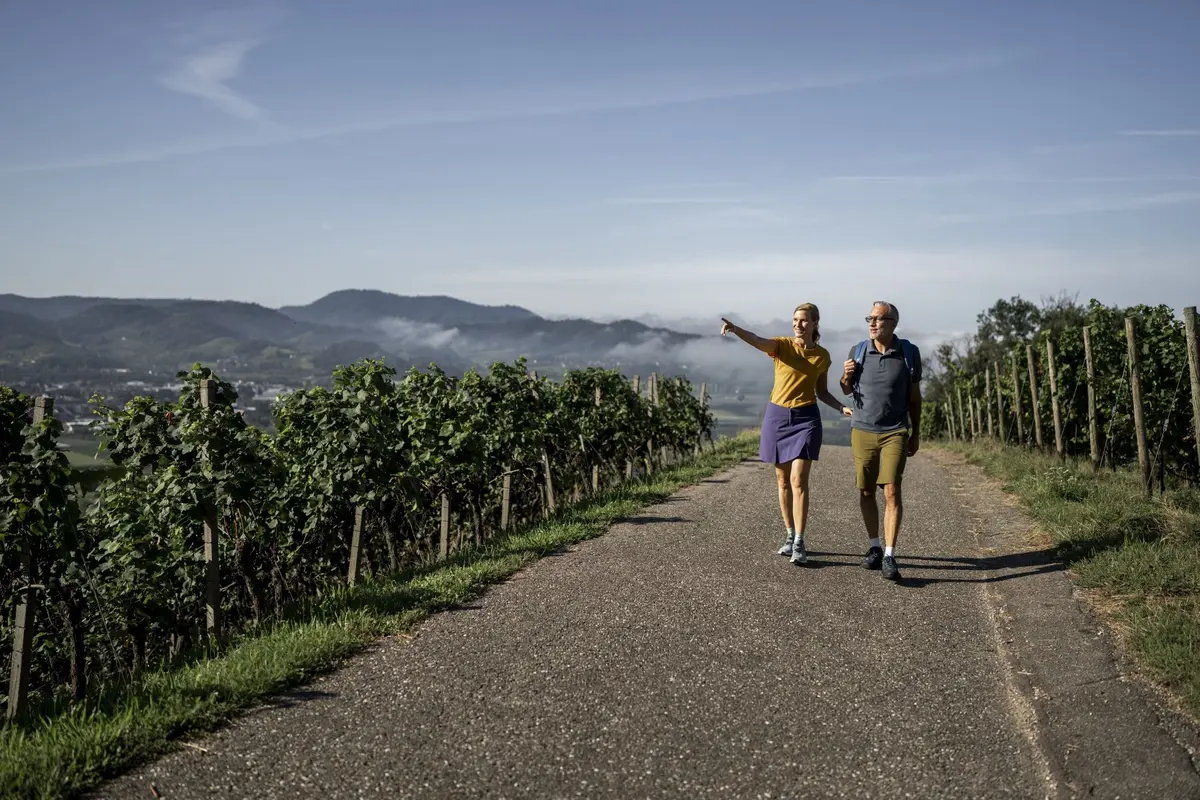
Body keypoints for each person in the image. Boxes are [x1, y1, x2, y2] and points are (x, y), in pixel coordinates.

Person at [721, 304, 852, 565]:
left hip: (806, 419)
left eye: (803, 320)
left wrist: (840, 407)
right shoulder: (781, 346)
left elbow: (821, 391)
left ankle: (800, 541)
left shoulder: (823, 357)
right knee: (782, 482)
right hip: (777, 417)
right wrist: (736, 330)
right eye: (795, 320)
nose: (798, 325)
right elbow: (759, 341)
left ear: (815, 323)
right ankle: (790, 535)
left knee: (798, 480)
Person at [839, 300, 922, 581]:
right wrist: (845, 376)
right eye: (869, 319)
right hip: (862, 429)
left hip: (895, 431)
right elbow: (846, 389)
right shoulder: (858, 351)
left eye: (878, 319)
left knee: (891, 490)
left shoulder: (909, 353)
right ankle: (874, 546)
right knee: (865, 491)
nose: (872, 323)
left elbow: (914, 398)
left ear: (893, 323)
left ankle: (889, 554)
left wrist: (916, 433)